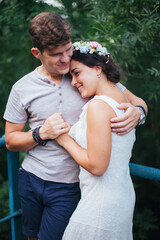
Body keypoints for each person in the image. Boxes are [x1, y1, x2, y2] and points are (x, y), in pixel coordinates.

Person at [3, 12, 147, 240]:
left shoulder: (84, 73)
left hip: (68, 186)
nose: (65, 59)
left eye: (68, 49)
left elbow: (135, 100)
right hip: (31, 178)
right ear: (36, 53)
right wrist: (42, 133)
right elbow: (10, 140)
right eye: (56, 54)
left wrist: (138, 113)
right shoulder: (22, 88)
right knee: (30, 235)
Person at [56, 41, 138, 240]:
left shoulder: (98, 106)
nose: (74, 82)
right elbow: (139, 102)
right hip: (121, 198)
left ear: (98, 69)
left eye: (76, 73)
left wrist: (64, 139)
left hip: (99, 206)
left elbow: (97, 166)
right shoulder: (122, 99)